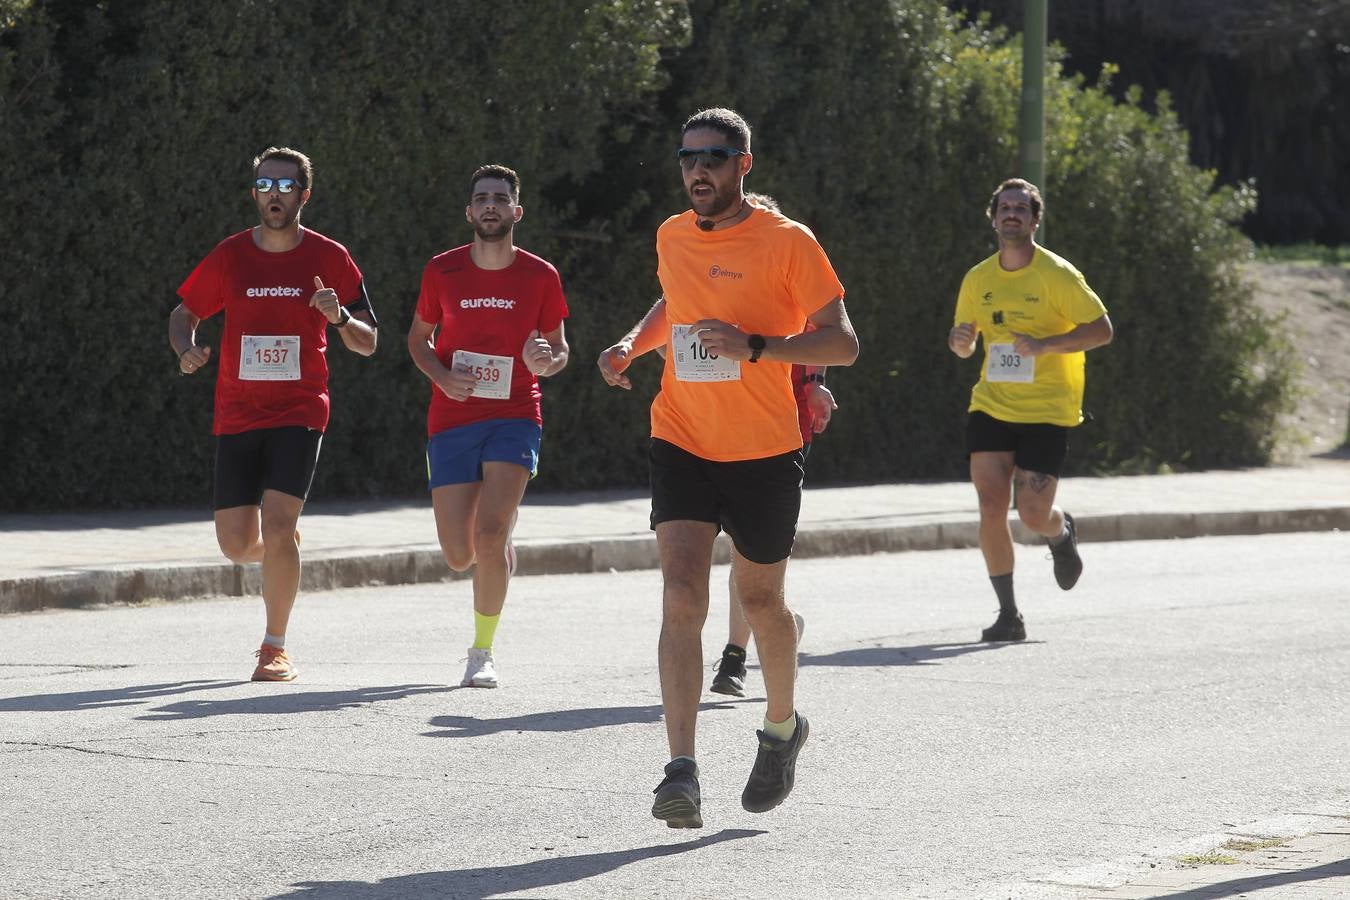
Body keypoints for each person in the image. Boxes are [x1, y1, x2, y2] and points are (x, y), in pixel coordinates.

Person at [598, 109, 858, 829]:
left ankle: (782, 731)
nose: (697, 169)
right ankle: (680, 768)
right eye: (687, 157)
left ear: (744, 164)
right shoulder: (672, 234)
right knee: (682, 597)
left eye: (713, 156)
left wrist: (758, 348)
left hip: (765, 450)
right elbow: (676, 305)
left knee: (763, 604)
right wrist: (631, 343)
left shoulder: (788, 242)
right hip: (681, 436)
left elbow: (842, 343)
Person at [170, 146, 378, 682]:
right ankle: (281, 547)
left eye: (286, 187)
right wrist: (185, 347)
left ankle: (274, 646)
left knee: (279, 523)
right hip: (237, 411)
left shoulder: (330, 257)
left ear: (304, 195)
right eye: (266, 186)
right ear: (254, 193)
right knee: (239, 545)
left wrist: (339, 318)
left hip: (300, 408)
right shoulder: (232, 255)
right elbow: (184, 312)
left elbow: (369, 341)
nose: (275, 195)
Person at [407, 164, 569, 689]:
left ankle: (482, 652)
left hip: (515, 413)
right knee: (460, 556)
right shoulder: (442, 271)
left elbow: (559, 349)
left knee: (491, 531)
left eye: (501, 198)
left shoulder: (540, 276)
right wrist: (441, 375)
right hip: (452, 416)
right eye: (482, 198)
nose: (491, 205)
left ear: (516, 211)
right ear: (470, 212)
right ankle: (494, 553)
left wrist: (546, 360)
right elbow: (417, 342)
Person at [947, 177, 1113, 643]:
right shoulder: (978, 278)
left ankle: (1060, 534)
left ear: (1036, 219)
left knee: (1034, 515)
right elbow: (964, 339)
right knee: (990, 505)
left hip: (1047, 409)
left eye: (1022, 208)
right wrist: (960, 342)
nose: (1013, 214)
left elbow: (1101, 329)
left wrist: (1046, 344)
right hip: (992, 404)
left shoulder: (1058, 275)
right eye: (1005, 208)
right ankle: (1008, 615)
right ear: (994, 217)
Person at [708, 195, 835, 698]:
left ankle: (735, 656)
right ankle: (771, 630)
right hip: (711, 426)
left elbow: (820, 332)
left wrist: (816, 386)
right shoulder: (708, 275)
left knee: (745, 549)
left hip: (778, 425)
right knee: (734, 551)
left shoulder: (786, 264)